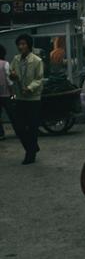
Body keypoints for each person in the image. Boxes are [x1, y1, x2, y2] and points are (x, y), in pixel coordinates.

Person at [9, 34, 44, 165]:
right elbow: (11, 73)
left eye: (23, 44)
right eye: (19, 44)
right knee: (19, 126)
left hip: (33, 98)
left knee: (33, 127)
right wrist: (12, 75)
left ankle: (30, 153)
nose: (21, 46)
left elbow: (39, 79)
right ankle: (32, 147)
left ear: (29, 45)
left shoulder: (37, 61)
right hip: (20, 97)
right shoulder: (16, 59)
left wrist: (29, 88)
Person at [0, 44, 13, 140]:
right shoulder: (5, 64)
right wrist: (13, 94)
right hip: (7, 94)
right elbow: (9, 81)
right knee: (12, 113)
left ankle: (1, 134)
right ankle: (19, 130)